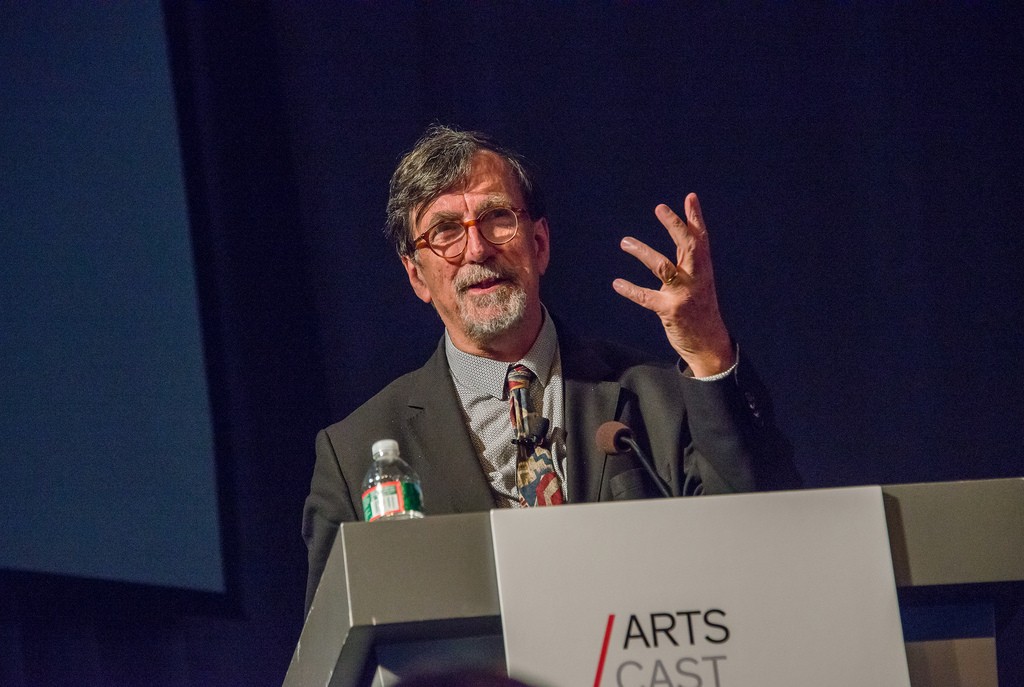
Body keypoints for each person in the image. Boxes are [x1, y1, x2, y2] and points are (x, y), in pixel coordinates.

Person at [302, 125, 799, 610]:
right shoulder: (354, 454)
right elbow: (332, 649)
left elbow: (767, 537)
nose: (477, 250)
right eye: (446, 231)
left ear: (539, 245)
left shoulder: (656, 396)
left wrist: (708, 349)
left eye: (497, 217)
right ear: (417, 276)